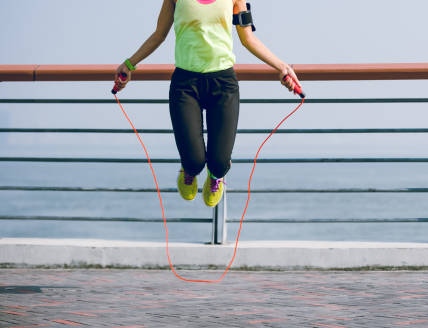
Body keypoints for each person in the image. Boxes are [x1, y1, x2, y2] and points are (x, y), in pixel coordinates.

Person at [114, 0, 301, 207]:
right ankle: (189, 171)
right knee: (193, 161)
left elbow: (248, 39)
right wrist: (130, 64)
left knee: (219, 164)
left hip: (223, 85)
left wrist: (282, 67)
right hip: (185, 85)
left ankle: (216, 176)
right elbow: (159, 34)